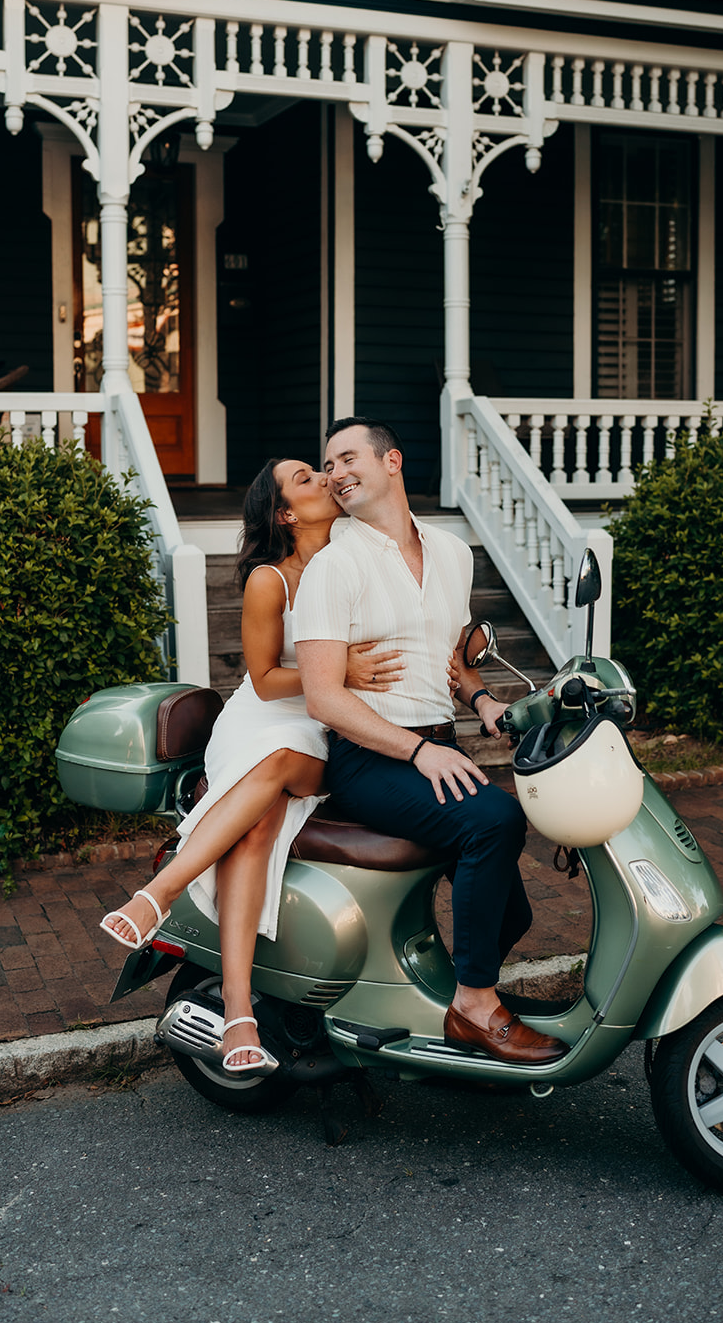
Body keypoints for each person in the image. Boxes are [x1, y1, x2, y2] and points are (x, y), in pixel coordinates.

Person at [100, 457, 402, 1073]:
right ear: (286, 513)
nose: (324, 478)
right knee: (258, 828)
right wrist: (339, 672)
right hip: (267, 719)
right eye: (305, 478)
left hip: (327, 729)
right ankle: (238, 1013)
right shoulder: (271, 579)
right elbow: (263, 682)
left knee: (286, 767)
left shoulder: (359, 554)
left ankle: (160, 893)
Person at [294, 417, 566, 1066]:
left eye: (347, 457)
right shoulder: (334, 566)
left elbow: (449, 655)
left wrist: (481, 702)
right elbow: (323, 696)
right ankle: (474, 1007)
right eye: (327, 464)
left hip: (443, 743)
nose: (334, 473)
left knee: (511, 918)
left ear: (392, 461)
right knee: (494, 819)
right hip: (371, 760)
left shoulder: (451, 553)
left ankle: (427, 1005)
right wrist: (417, 750)